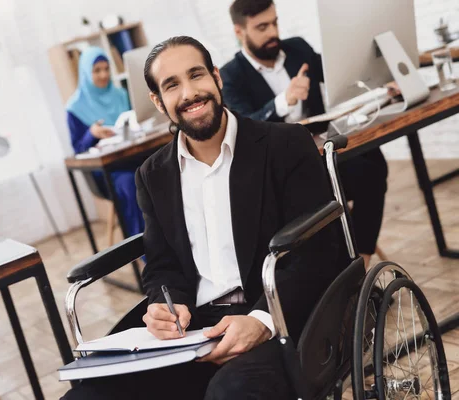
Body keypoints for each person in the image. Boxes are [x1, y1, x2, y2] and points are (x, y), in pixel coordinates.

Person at [61, 36, 341, 400]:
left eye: (197, 75)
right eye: (172, 85)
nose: (190, 92)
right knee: (88, 394)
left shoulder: (285, 145)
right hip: (193, 328)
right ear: (158, 102)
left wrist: (260, 321)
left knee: (231, 392)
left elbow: (319, 252)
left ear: (216, 77)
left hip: (277, 312)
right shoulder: (153, 174)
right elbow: (162, 265)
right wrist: (166, 303)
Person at [220, 0, 389, 266]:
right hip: (283, 173)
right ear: (239, 32)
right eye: (262, 27)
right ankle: (349, 270)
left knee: (372, 164)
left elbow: (342, 75)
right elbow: (245, 127)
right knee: (344, 187)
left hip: (321, 154)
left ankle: (361, 266)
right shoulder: (230, 76)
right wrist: (282, 101)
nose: (272, 32)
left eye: (274, 22)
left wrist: (382, 85)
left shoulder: (297, 49)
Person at [66, 46, 144, 237]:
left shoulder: (121, 95)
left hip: (132, 156)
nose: (103, 75)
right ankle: (144, 249)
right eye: (96, 70)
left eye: (106, 68)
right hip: (109, 172)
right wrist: (91, 133)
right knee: (131, 182)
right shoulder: (75, 108)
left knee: (160, 169)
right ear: (86, 72)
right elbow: (77, 149)